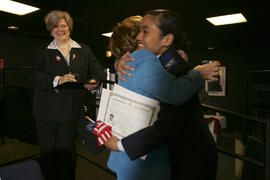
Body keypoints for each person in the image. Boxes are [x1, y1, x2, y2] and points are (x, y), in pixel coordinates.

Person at [103, 12, 219, 180]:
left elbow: (167, 125)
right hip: (166, 155)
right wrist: (119, 61)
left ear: (166, 39)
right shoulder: (143, 63)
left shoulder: (175, 66)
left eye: (145, 31)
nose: (139, 38)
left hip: (188, 157)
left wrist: (121, 145)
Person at [31, 10, 106, 180]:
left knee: (67, 152)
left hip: (72, 112)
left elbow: (99, 72)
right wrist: (59, 79)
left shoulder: (84, 50)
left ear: (69, 27)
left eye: (63, 25)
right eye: (55, 26)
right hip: (46, 112)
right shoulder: (42, 50)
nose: (60, 29)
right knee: (48, 153)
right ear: (50, 30)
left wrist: (93, 81)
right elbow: (35, 75)